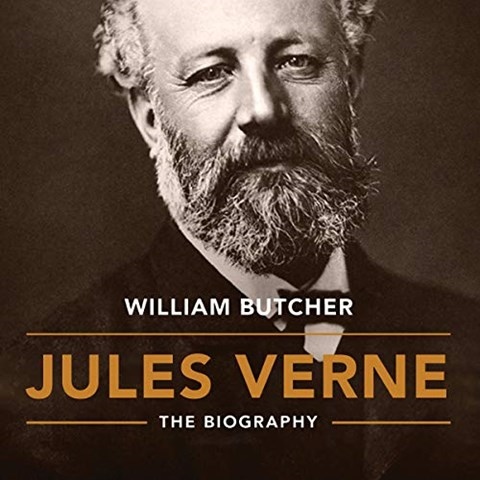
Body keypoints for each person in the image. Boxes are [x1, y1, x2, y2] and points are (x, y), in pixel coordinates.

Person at [2, 0, 479, 478]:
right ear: (150, 118)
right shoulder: (48, 401)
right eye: (211, 73)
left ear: (350, 83)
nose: (264, 109)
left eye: (296, 62)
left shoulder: (465, 344)